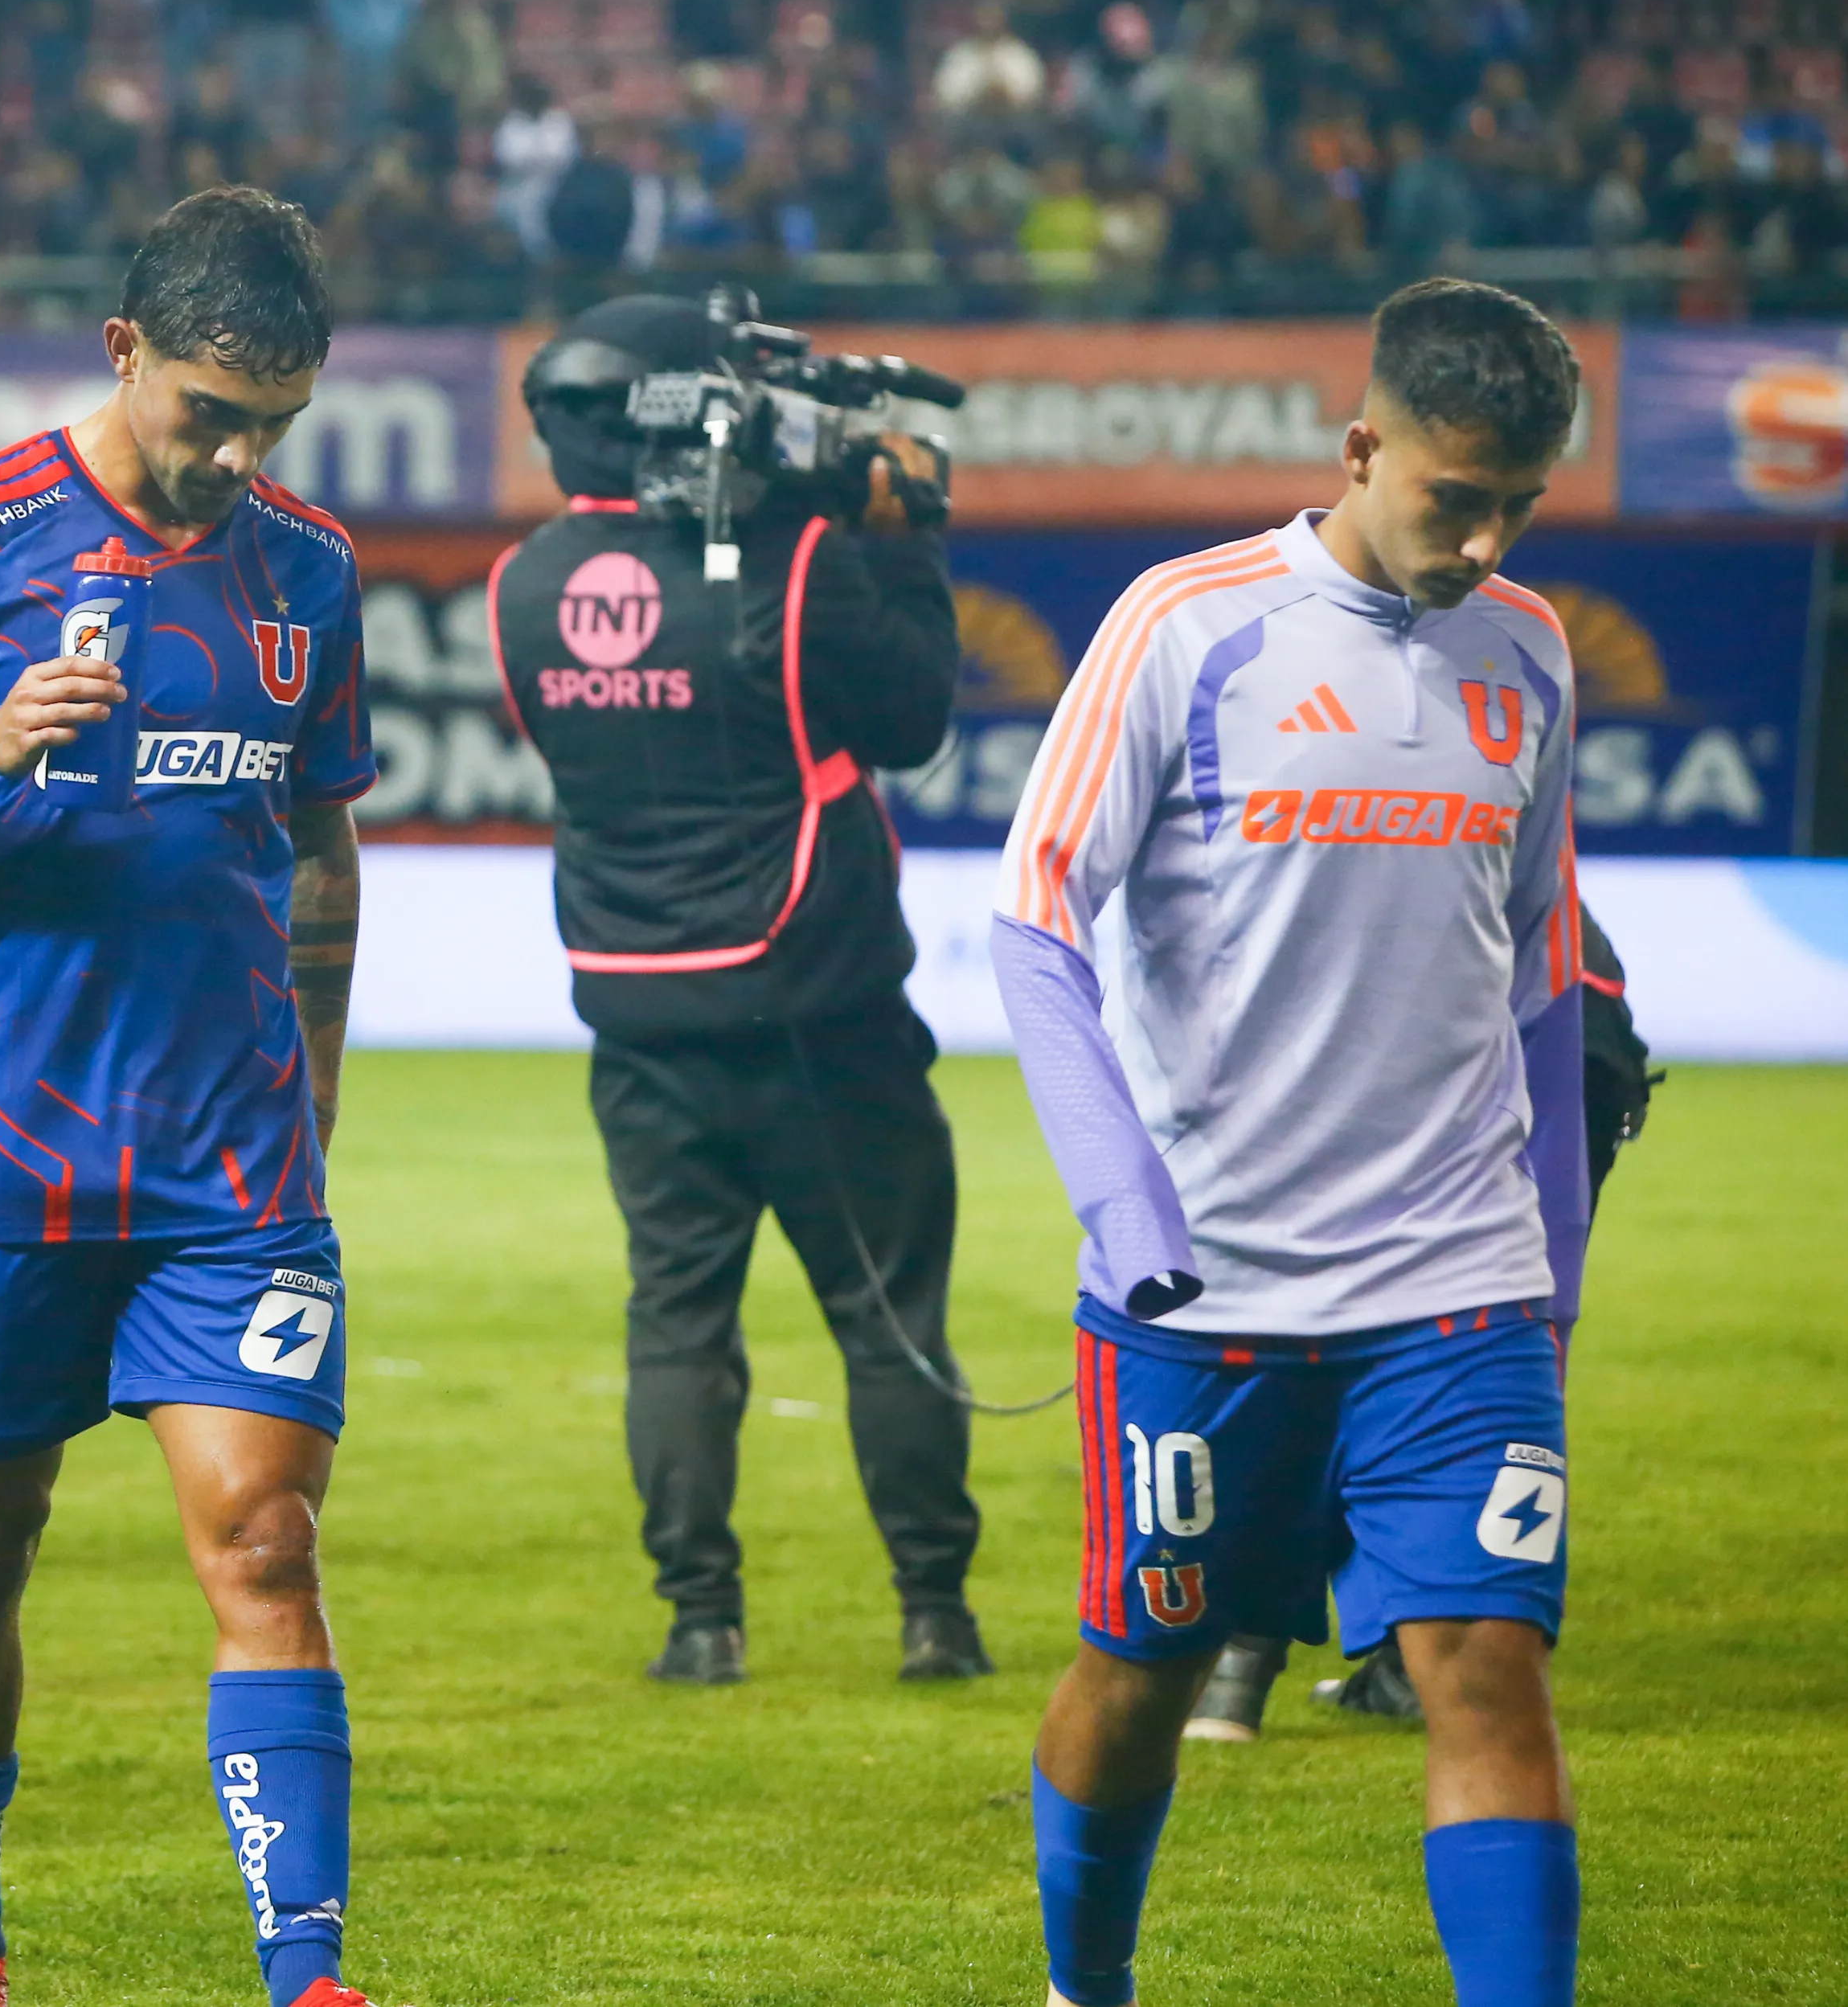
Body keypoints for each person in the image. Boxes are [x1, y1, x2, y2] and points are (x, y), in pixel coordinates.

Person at [0, 186, 377, 2007]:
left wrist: (316, 1097)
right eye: (209, 409)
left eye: (273, 419)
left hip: (231, 1165)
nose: (236, 453)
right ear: (124, 349)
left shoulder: (309, 568)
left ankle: (307, 1973)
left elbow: (323, 858)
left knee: (266, 1537)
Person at [996, 278, 1590, 2007]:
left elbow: (1545, 960)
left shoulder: (1532, 654)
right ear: (1360, 448)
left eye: (1518, 507)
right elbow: (1034, 919)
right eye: (1452, 497)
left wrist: (1553, 1252)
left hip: (1455, 1283)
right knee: (1142, 1660)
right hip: (1207, 1286)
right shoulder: (1183, 625)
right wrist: (1124, 1199)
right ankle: (1080, 1989)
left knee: (1486, 1662)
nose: (1483, 543)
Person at [490, 295, 988, 1689]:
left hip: (638, 1018)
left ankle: (698, 1621)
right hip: (819, 1012)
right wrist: (911, 537)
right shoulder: (796, 562)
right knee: (885, 1314)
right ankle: (930, 1612)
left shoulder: (521, 585)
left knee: (677, 1324)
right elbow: (912, 717)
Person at [1186, 904, 1658, 1739]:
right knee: (1503, 1346)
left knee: (1315, 1337)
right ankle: (1420, 1657)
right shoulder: (1488, 786)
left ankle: (1242, 1662)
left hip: (1431, 1032)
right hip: (1571, 1018)